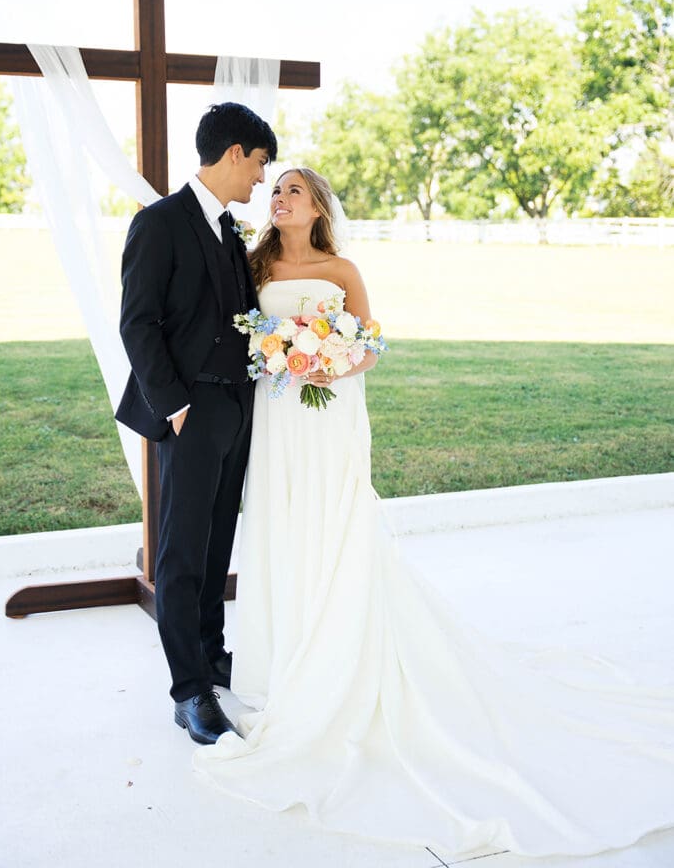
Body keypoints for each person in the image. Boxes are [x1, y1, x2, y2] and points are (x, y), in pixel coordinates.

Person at [194, 166, 674, 863]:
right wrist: (277, 352)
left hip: (329, 414)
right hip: (276, 415)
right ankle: (283, 659)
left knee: (334, 521)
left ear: (318, 206)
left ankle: (339, 650)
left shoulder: (343, 269)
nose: (281, 197)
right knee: (280, 520)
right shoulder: (253, 264)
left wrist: (330, 363)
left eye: (294, 189)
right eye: (277, 190)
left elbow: (369, 344)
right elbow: (237, 331)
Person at [116, 102, 277, 745]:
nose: (262, 177)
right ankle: (188, 691)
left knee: (216, 544)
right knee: (182, 553)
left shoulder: (231, 230)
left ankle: (210, 653)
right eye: (260, 163)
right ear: (234, 153)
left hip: (237, 407)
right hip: (190, 412)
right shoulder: (159, 223)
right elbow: (138, 323)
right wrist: (176, 406)